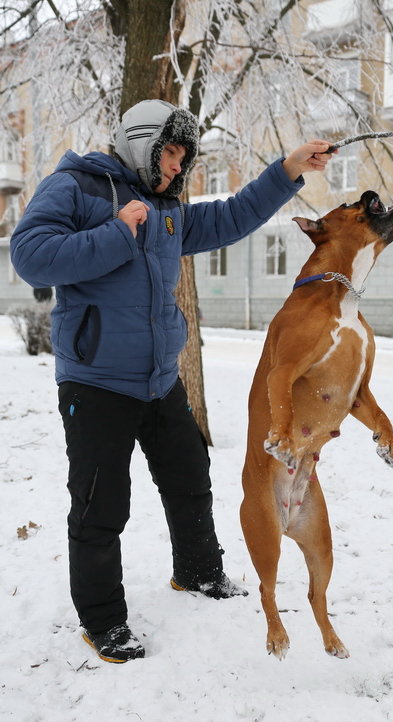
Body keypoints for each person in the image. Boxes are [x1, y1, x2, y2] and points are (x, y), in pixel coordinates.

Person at [10, 99, 334, 663]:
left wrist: (288, 170)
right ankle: (103, 621)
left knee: (190, 476)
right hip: (96, 382)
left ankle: (199, 572)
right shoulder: (74, 184)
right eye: (172, 151)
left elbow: (232, 215)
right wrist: (115, 233)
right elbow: (31, 256)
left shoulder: (166, 208)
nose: (177, 166)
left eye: (184, 156)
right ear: (142, 142)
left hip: (159, 381)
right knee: (100, 505)